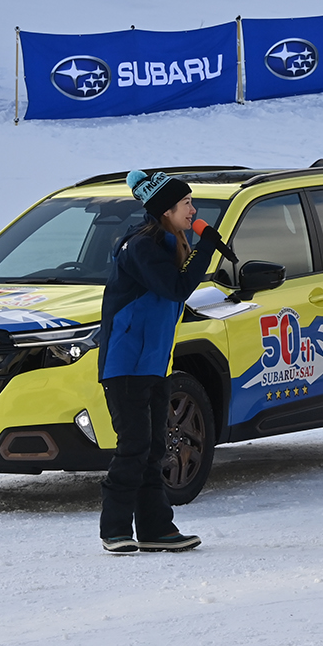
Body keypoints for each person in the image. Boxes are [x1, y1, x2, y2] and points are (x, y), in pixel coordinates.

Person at [95, 169, 230, 553]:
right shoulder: (141, 246)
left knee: (155, 448)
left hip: (153, 363)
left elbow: (167, 299)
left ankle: (156, 529)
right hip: (125, 365)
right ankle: (114, 528)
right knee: (134, 445)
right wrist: (206, 246)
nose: (193, 209)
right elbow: (174, 288)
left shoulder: (168, 245)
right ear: (166, 210)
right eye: (186, 203)